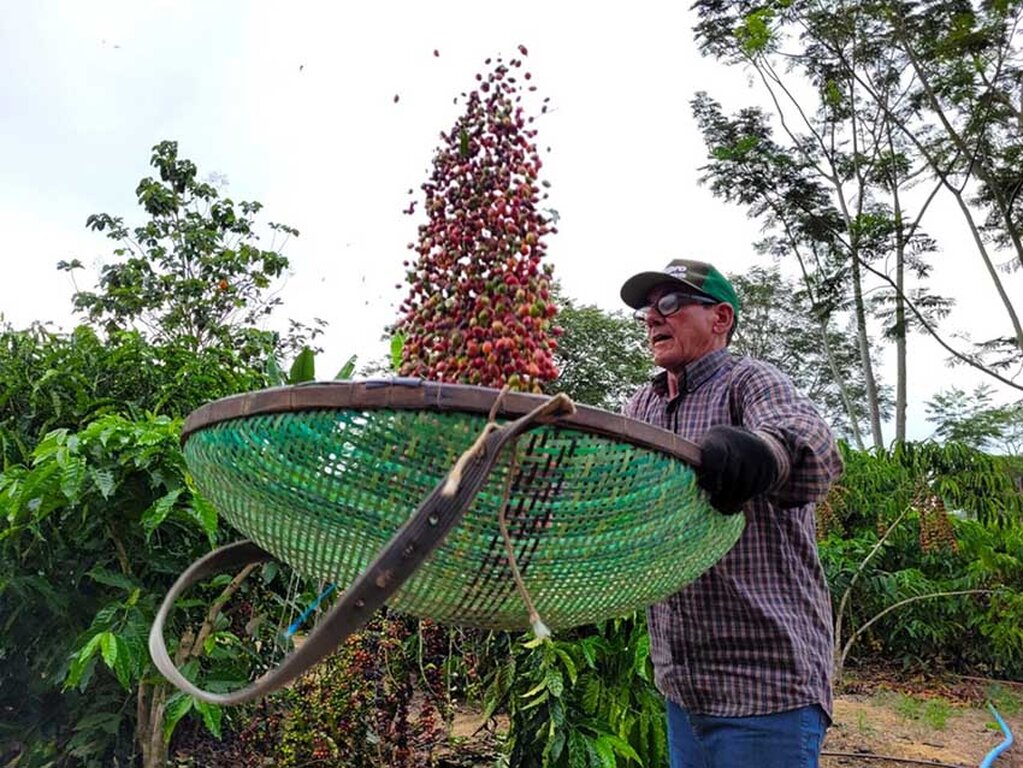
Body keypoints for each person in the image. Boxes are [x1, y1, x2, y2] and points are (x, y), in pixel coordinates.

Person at [619, 258, 843, 768]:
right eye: (647, 311)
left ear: (719, 318)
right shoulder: (642, 407)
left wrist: (760, 455)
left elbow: (814, 451)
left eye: (670, 304)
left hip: (765, 689)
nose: (654, 317)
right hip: (682, 686)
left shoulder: (750, 382)